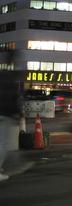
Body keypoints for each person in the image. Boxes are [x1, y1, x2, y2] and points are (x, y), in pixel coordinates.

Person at [0, 51, 33, 182]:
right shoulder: (11, 79)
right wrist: (19, 114)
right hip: (5, 113)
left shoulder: (2, 74)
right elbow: (14, 98)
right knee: (3, 143)